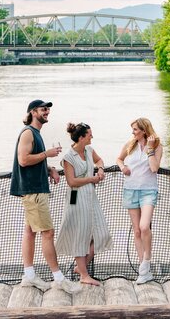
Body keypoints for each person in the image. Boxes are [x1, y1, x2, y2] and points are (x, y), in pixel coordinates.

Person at [10, 99, 82, 293]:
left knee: (30, 232)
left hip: (35, 189)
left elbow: (32, 159)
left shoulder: (36, 134)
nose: (47, 111)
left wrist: (49, 168)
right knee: (47, 233)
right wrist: (47, 154)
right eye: (43, 109)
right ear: (33, 112)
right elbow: (23, 160)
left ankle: (29, 276)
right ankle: (58, 278)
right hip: (33, 191)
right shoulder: (27, 133)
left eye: (48, 109)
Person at [55, 122, 112, 286]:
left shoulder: (88, 150)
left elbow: (99, 160)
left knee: (101, 234)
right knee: (80, 234)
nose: (92, 137)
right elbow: (71, 182)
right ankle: (84, 275)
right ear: (81, 137)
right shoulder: (68, 157)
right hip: (75, 197)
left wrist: (100, 169)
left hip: (90, 197)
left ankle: (81, 267)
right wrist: (92, 179)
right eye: (89, 134)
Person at [115, 117, 163, 284]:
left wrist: (149, 149)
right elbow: (119, 159)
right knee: (136, 231)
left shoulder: (156, 145)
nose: (133, 132)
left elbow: (154, 168)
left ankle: (147, 261)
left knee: (144, 226)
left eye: (135, 129)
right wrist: (123, 167)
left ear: (144, 130)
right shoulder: (130, 145)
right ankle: (143, 271)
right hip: (130, 189)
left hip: (148, 191)